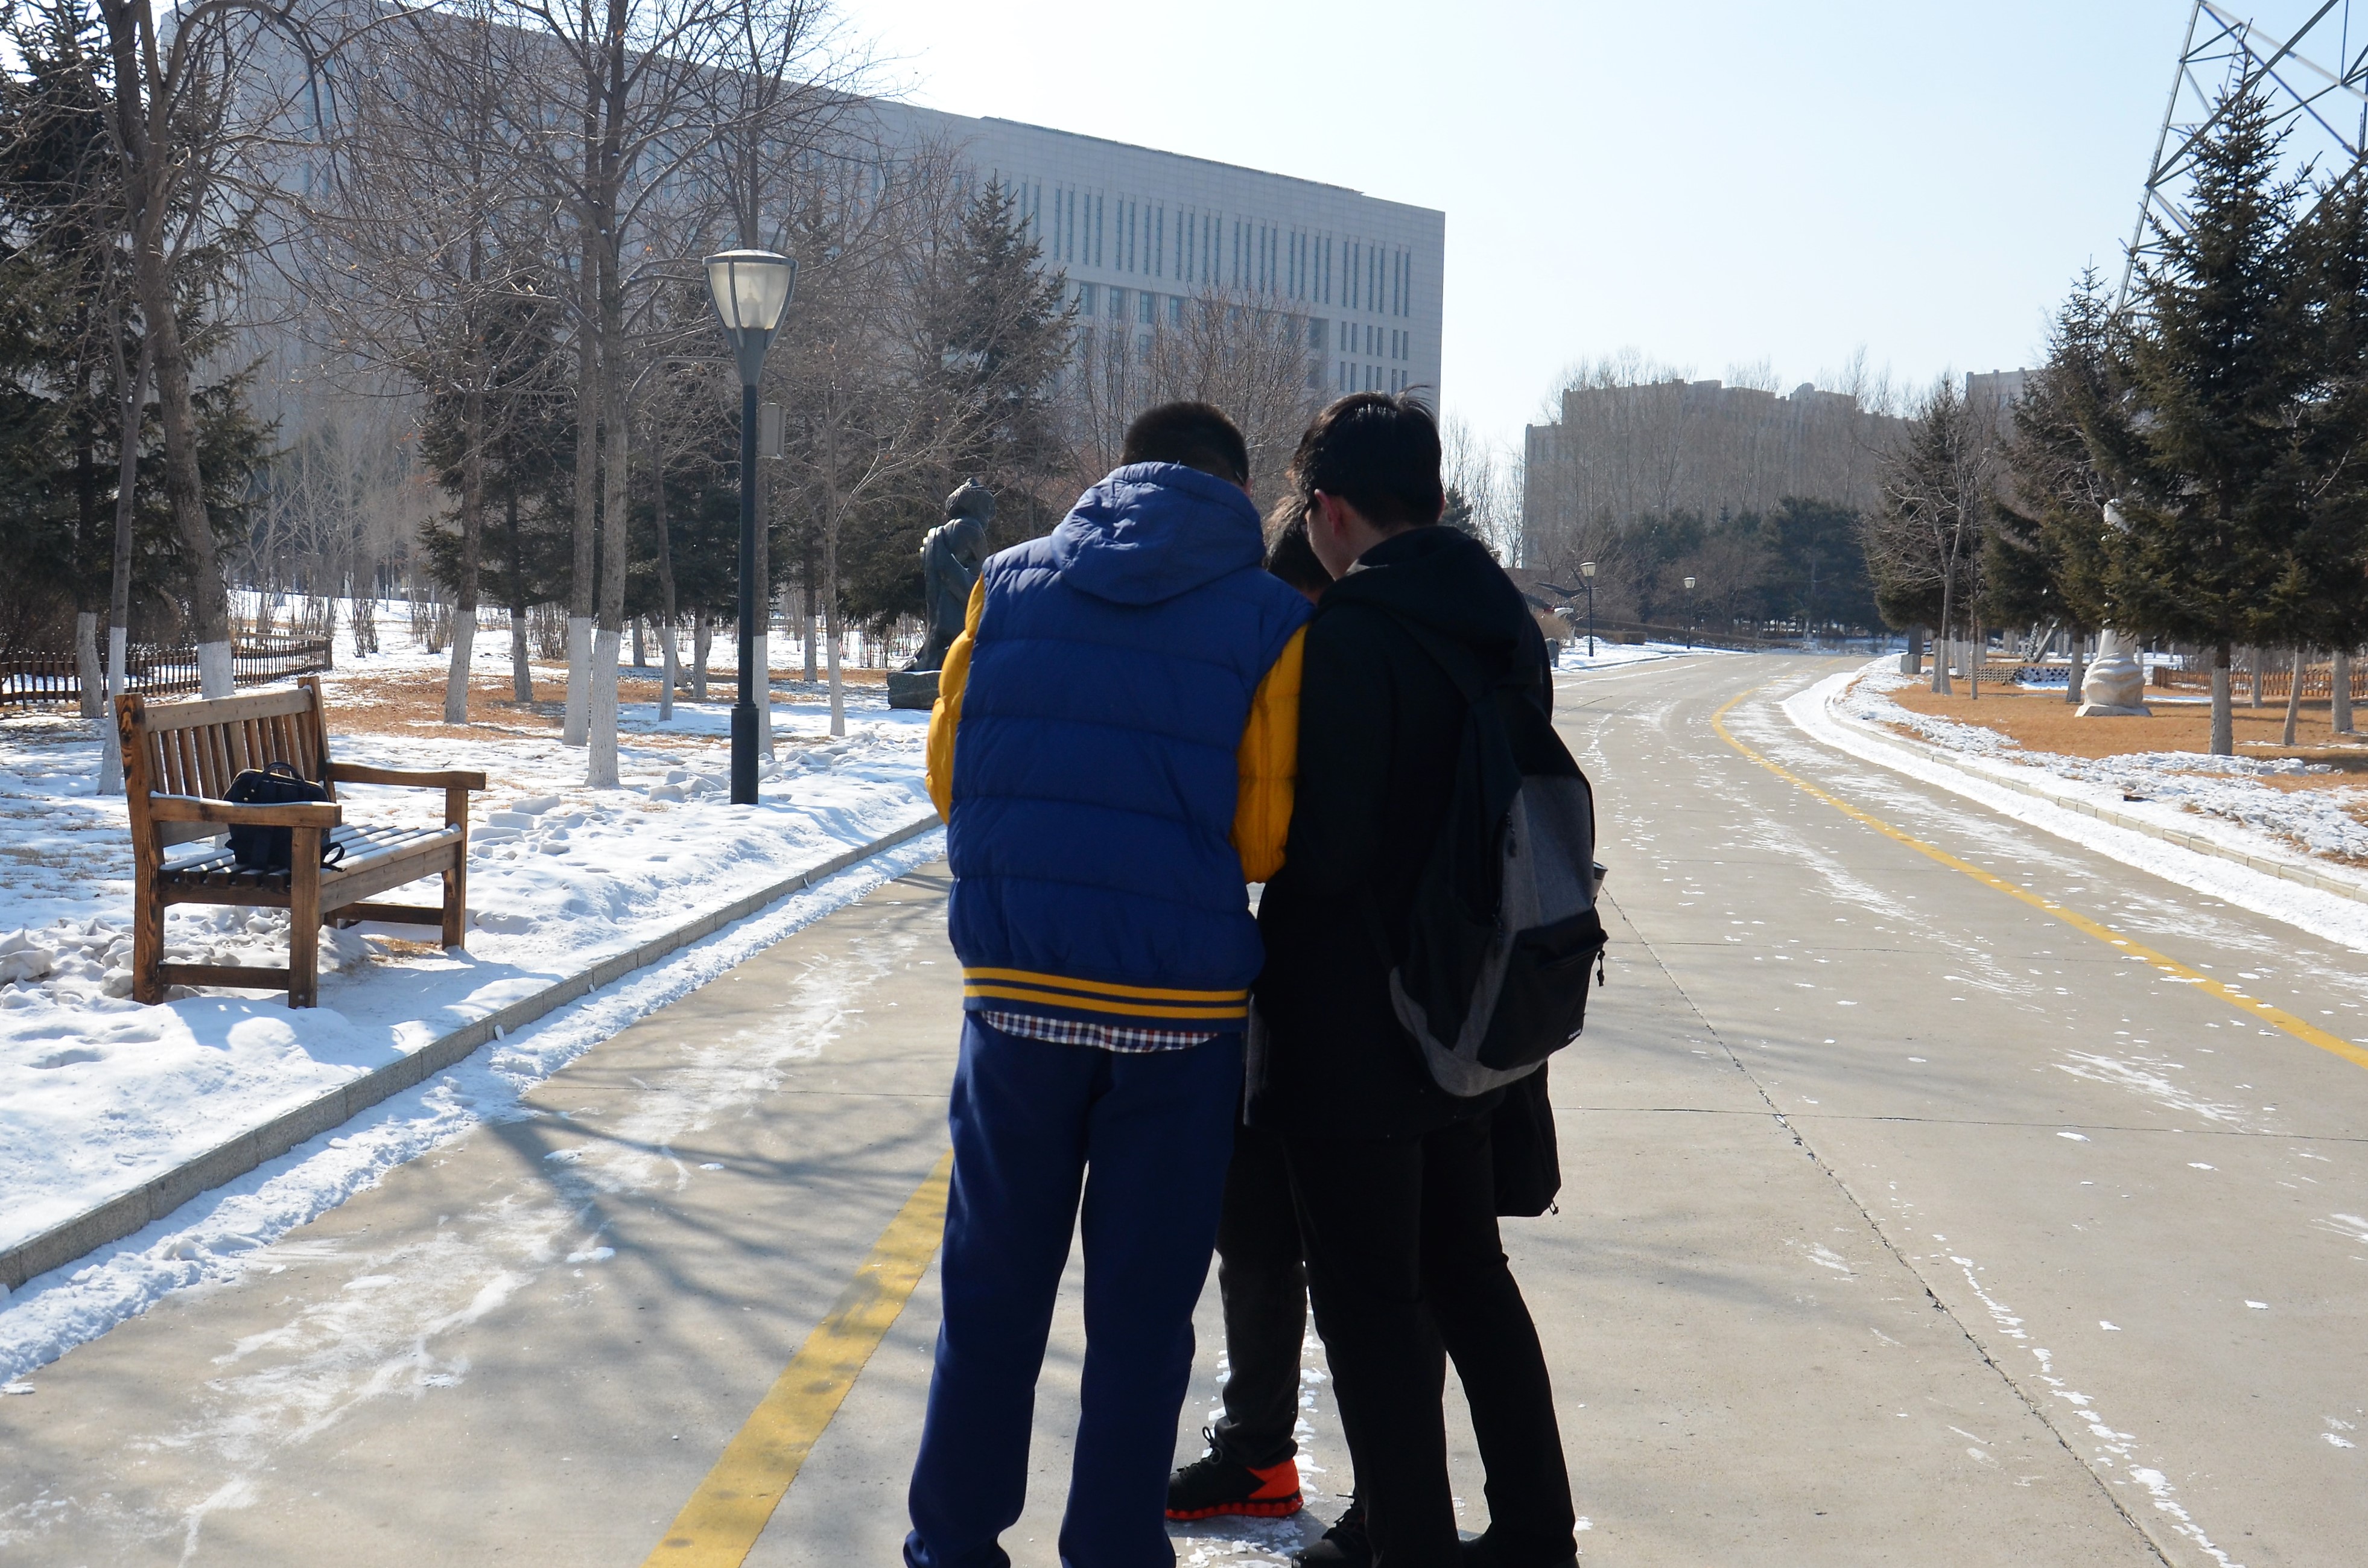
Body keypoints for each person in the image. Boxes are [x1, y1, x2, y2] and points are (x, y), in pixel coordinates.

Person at [906, 401, 1313, 1568]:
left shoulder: (1003, 584)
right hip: (1178, 1020)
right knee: (1140, 1320)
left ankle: (951, 1547)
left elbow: (949, 775)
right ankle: (1113, 1550)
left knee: (989, 1294)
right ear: (1236, 493)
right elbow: (1263, 837)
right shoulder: (1271, 619)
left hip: (1016, 995)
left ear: (1117, 474)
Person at [1251, 392, 1578, 1568]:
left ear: (1328, 509)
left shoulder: (1352, 634)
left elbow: (1330, 853)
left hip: (1358, 1024)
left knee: (1369, 1307)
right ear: (1433, 498)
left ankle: (1411, 1549)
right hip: (1477, 1011)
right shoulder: (1500, 622)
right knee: (1467, 1275)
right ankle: (1535, 1534)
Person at [1164, 503, 1333, 1529]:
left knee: (1288, 1239)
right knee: (1265, 1231)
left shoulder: (1341, 664)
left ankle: (1300, 1469)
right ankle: (1262, 1455)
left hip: (1332, 995)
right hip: (1308, 986)